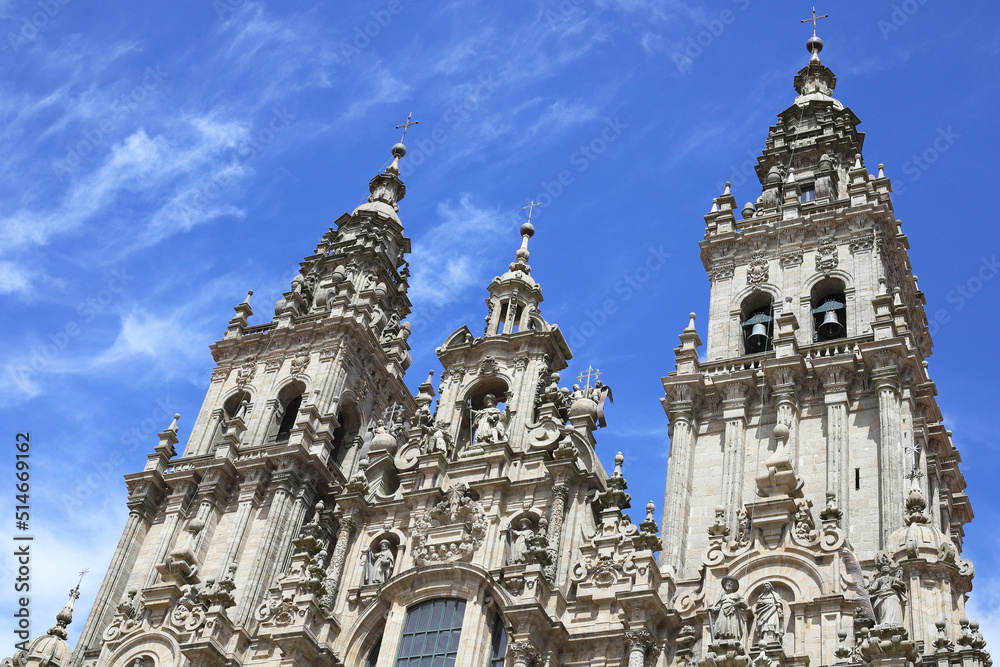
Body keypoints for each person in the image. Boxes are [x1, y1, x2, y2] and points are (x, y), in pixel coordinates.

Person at [867, 562, 906, 627]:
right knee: (883, 609)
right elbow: (874, 587)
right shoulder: (879, 579)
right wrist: (870, 590)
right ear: (881, 571)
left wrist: (899, 581)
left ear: (890, 570)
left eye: (886, 567)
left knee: (891, 608)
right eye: (883, 568)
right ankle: (883, 622)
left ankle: (893, 622)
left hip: (892, 595)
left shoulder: (892, 578)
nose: (885, 568)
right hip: (881, 595)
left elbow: (902, 585)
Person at [712, 576, 748, 641]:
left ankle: (732, 637)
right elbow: (718, 607)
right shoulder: (722, 596)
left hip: (733, 611)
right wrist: (712, 609)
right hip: (722, 611)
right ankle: (721, 637)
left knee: (731, 624)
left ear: (733, 586)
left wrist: (740, 603)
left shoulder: (737, 595)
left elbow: (745, 606)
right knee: (721, 624)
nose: (729, 584)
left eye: (731, 583)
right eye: (727, 583)